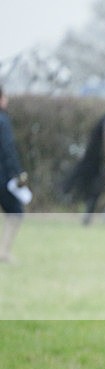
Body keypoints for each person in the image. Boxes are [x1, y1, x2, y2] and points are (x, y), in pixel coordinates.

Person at [0, 86, 27, 263]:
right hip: (3, 177)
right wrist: (17, 173)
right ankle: (4, 251)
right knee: (15, 212)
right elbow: (7, 150)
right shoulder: (2, 121)